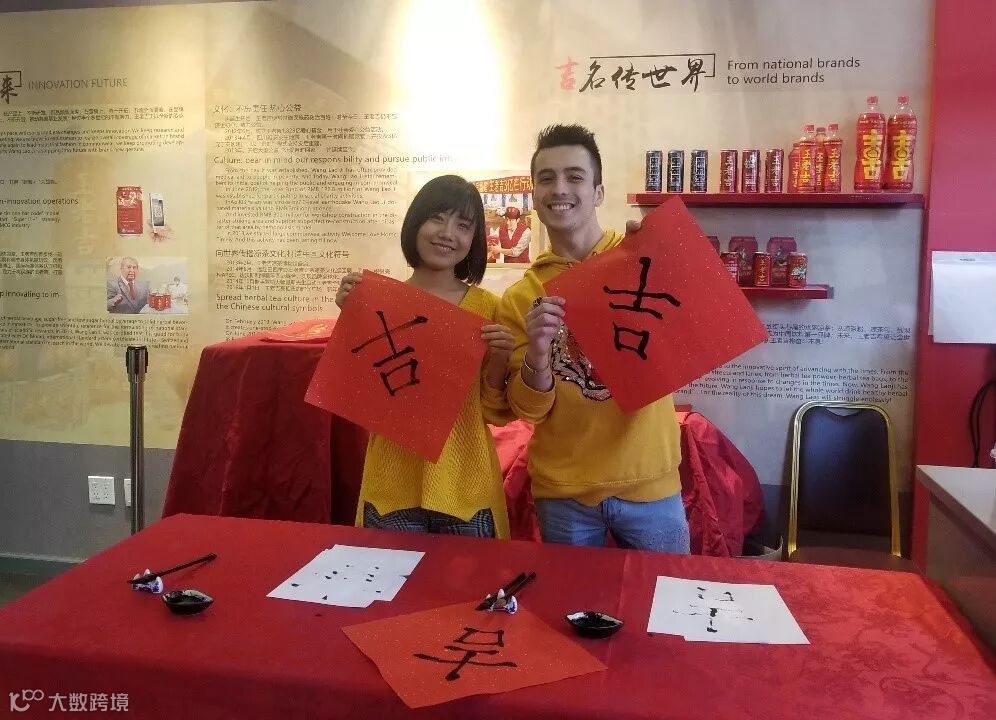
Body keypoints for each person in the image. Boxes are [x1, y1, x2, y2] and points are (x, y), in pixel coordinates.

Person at [495, 124, 690, 553]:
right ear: (534, 195)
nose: (559, 188)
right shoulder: (521, 297)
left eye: (575, 176)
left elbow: (689, 347)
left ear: (598, 192)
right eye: (546, 178)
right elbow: (528, 410)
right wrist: (538, 354)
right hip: (564, 493)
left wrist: (667, 260)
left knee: (663, 593)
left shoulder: (640, 258)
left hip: (650, 482)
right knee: (572, 598)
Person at [335, 175, 515, 539]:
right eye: (437, 218)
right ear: (415, 222)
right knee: (387, 577)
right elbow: (358, 395)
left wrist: (500, 359)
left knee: (475, 578)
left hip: (466, 487)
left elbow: (494, 410)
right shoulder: (379, 303)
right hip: (391, 486)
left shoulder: (488, 309)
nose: (447, 233)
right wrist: (351, 317)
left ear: (475, 239)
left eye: (463, 225)